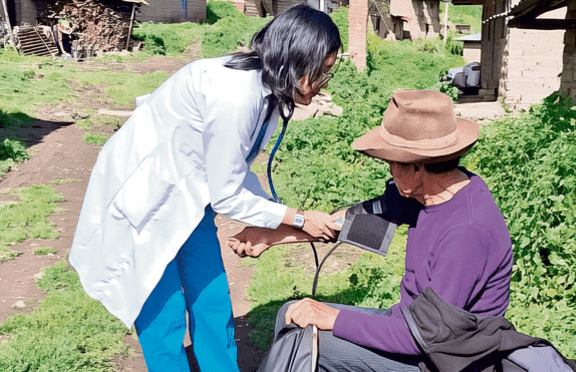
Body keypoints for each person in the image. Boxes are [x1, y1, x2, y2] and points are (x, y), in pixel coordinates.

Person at [68, 4, 342, 372]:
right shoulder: (234, 93)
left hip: (190, 200)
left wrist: (275, 223)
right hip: (146, 205)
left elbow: (235, 170)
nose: (324, 81)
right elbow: (226, 193)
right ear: (295, 58)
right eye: (321, 71)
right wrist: (296, 219)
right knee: (164, 317)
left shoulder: (269, 95)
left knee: (211, 301)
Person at [229, 89, 514, 371]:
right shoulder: (427, 193)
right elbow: (358, 222)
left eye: (392, 162)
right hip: (411, 326)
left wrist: (334, 318)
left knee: (304, 339)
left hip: (446, 358)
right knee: (292, 314)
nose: (389, 170)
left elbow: (428, 334)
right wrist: (272, 235)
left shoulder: (466, 231)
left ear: (417, 166)